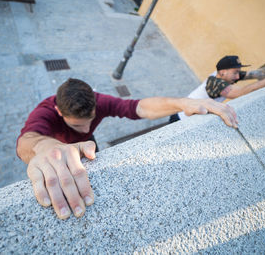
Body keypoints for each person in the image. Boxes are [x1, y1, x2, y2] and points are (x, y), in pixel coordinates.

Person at [17, 78, 238, 219]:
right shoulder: (45, 111)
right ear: (58, 111)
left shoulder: (100, 101)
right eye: (77, 124)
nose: (84, 128)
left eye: (90, 120)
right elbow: (28, 140)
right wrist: (45, 147)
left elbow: (137, 107)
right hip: (54, 148)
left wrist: (182, 103)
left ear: (95, 102)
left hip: (87, 145)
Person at [170, 56, 265, 122]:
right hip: (180, 119)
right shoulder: (214, 82)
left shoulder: (224, 75)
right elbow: (241, 93)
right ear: (223, 72)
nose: (238, 77)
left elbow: (262, 72)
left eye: (238, 72)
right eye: (235, 73)